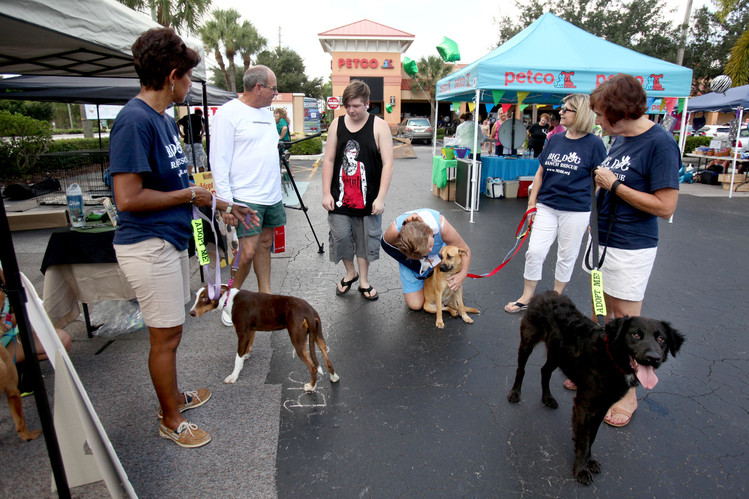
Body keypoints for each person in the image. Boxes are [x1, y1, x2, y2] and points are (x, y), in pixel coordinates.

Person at [109, 27, 258, 448]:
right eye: (188, 78)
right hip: (147, 244)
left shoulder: (160, 120)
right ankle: (170, 418)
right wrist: (191, 193)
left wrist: (222, 206)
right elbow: (128, 197)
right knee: (165, 336)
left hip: (170, 239)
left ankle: (173, 397)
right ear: (173, 75)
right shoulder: (134, 121)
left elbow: (178, 188)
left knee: (171, 332)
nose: (190, 87)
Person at [586, 73, 680, 427]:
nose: (596, 120)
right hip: (604, 243)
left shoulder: (660, 143)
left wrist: (615, 186)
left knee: (628, 324)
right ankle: (604, 374)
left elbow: (665, 206)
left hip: (631, 246)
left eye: (600, 113)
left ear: (618, 111)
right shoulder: (620, 139)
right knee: (604, 315)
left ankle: (628, 393)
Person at [505, 94, 606, 315]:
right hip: (547, 206)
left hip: (577, 210)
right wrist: (532, 203)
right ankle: (527, 296)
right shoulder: (555, 139)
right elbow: (540, 172)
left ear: (579, 113)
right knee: (535, 251)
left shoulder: (595, 144)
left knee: (566, 255)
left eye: (566, 109)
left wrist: (594, 213)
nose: (560, 112)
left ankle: (556, 298)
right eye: (562, 108)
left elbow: (601, 181)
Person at [210, 65, 286, 325]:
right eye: (273, 88)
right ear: (258, 87)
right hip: (245, 196)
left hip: (271, 194)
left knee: (265, 246)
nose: (275, 93)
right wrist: (227, 205)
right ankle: (230, 299)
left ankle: (266, 298)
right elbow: (218, 161)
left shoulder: (266, 113)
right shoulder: (228, 113)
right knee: (248, 250)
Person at [321, 80, 394, 301]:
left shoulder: (379, 126)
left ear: (367, 104)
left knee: (365, 241)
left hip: (369, 199)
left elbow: (388, 164)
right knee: (341, 238)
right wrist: (326, 192)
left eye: (356, 106)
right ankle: (349, 273)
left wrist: (380, 198)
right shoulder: (337, 124)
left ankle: (363, 280)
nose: (352, 110)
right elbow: (329, 160)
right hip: (340, 198)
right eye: (348, 106)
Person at [381, 209, 471, 310]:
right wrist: (414, 263)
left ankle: (432, 282)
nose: (431, 250)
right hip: (414, 261)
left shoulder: (442, 227)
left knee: (448, 298)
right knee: (415, 305)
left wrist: (462, 274)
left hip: (439, 259)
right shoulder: (394, 232)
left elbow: (465, 250)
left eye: (430, 245)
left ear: (430, 232)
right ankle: (426, 282)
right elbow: (386, 246)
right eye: (426, 250)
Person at [177, 108, 206, 173]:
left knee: (189, 161)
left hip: (187, 141)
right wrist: (201, 134)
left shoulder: (187, 117)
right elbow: (203, 128)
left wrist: (181, 134)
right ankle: (202, 178)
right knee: (201, 161)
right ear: (201, 114)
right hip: (197, 142)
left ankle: (189, 177)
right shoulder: (201, 118)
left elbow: (177, 123)